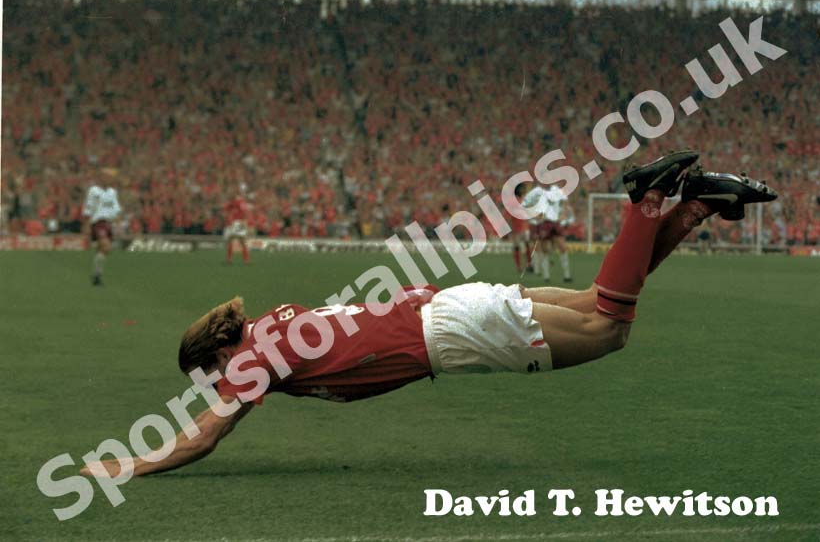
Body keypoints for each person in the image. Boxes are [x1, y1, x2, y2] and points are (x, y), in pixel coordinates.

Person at [79, 151, 777, 478]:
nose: (213, 392)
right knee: (604, 303)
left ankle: (645, 202)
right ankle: (696, 206)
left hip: (450, 333)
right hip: (447, 305)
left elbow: (204, 437)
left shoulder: (252, 361)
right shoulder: (269, 328)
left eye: (207, 379)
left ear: (215, 359)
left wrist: (132, 465)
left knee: (608, 330)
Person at [523, 183, 573, 282]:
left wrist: (563, 214)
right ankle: (546, 276)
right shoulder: (538, 192)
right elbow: (525, 205)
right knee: (545, 249)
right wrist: (534, 215)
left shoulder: (557, 190)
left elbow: (565, 203)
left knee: (562, 247)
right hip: (544, 223)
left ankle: (567, 276)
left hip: (555, 223)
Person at [83, 170, 122, 286]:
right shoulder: (94, 191)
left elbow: (116, 209)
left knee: (102, 251)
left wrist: (118, 224)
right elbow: (89, 207)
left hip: (108, 224)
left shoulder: (112, 192)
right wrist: (87, 225)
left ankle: (96, 276)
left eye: (110, 177)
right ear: (101, 178)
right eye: (107, 177)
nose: (109, 179)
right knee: (106, 247)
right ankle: (96, 275)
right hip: (98, 223)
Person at [223, 184, 252, 264]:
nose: (228, 194)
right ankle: (230, 259)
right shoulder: (232, 201)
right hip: (233, 223)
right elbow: (226, 208)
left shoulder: (239, 201)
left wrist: (245, 222)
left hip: (239, 222)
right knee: (230, 240)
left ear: (234, 193)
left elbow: (245, 211)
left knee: (241, 240)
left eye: (230, 193)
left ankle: (246, 260)